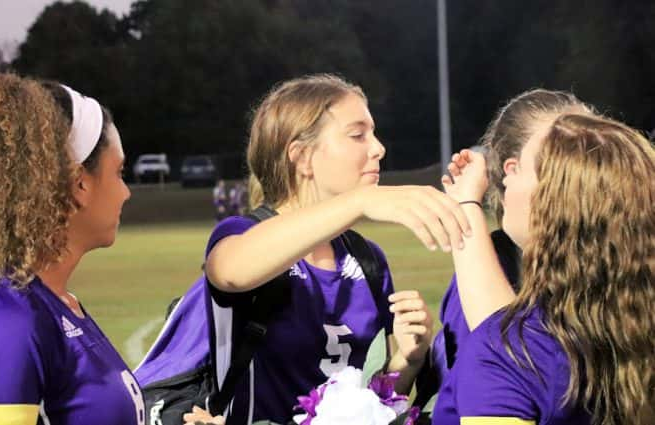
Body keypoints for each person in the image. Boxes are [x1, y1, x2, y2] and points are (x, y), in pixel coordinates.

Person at [185, 74, 472, 425]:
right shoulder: (244, 235)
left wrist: (406, 362)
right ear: (302, 157)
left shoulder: (367, 260)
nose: (378, 148)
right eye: (358, 135)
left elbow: (369, 405)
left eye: (373, 133)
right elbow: (230, 271)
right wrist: (361, 201)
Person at [0, 74, 144, 424]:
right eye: (119, 172)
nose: (126, 192)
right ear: (79, 184)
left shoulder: (54, 303)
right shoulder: (6, 323)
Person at [434, 114, 654, 424]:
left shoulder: (507, 351)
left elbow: (514, 358)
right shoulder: (633, 324)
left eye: (518, 167)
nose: (505, 177)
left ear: (556, 206)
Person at [416, 90, 596, 403]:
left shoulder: (621, 257)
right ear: (512, 171)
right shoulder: (493, 262)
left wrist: (468, 207)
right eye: (557, 154)